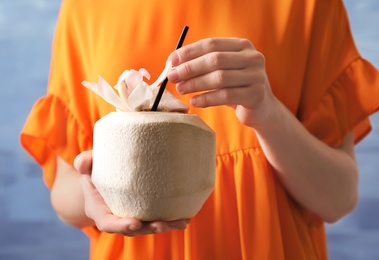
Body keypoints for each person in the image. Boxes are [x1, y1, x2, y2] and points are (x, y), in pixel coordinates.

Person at [21, 0, 379, 259]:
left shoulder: (311, 5)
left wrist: (267, 112)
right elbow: (66, 191)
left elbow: (338, 198)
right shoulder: (85, 8)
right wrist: (94, 194)